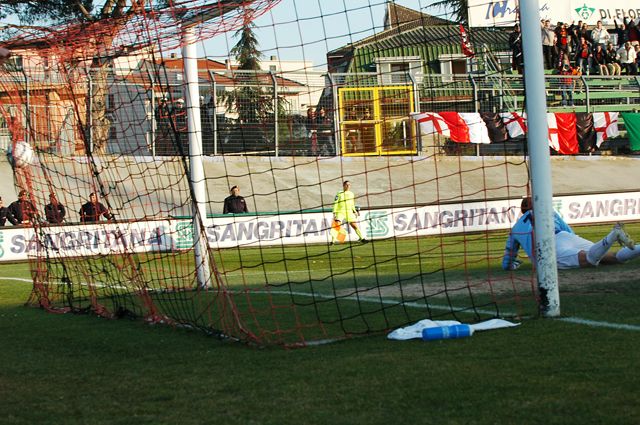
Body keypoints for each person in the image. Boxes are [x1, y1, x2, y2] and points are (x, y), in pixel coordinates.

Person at [502, 197, 638, 271]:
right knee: (611, 258)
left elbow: (507, 260)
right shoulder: (550, 212)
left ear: (521, 211)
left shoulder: (516, 228)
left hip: (547, 247)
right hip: (564, 236)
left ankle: (613, 235)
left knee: (590, 260)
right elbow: (568, 231)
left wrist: (513, 265)